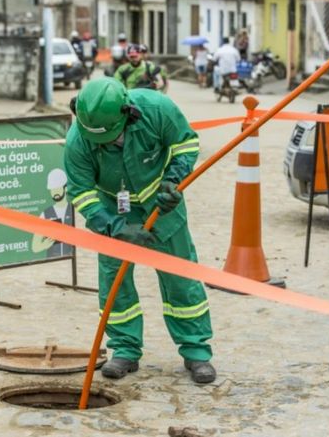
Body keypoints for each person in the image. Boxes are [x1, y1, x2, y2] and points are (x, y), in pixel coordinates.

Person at [64, 78, 216, 384]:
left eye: (110, 136)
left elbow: (185, 144)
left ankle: (196, 352)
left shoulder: (157, 108)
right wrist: (115, 228)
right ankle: (124, 349)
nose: (104, 144)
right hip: (113, 212)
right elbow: (81, 193)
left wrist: (174, 179)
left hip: (163, 207)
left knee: (181, 277)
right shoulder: (78, 139)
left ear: (128, 114)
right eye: (98, 140)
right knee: (114, 283)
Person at [31, 168, 74, 258]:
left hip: (71, 260)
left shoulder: (73, 210)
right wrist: (45, 245)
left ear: (65, 188)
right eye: (52, 189)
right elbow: (35, 247)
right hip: (54, 265)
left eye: (57, 189)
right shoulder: (46, 214)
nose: (55, 192)